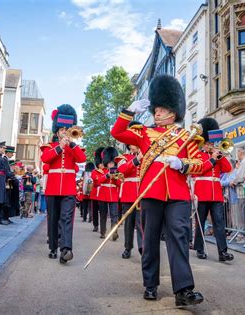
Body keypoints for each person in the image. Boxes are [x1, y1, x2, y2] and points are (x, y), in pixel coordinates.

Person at [111, 74, 204, 305]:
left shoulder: (186, 137)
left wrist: (182, 164)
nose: (157, 113)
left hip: (178, 195)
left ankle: (183, 290)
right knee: (150, 240)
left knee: (179, 239)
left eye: (162, 109)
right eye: (156, 109)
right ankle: (150, 284)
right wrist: (129, 112)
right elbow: (117, 132)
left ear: (173, 111)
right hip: (151, 194)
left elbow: (200, 164)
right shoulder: (143, 133)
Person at [41, 104, 86, 263]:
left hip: (68, 189)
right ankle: (53, 247)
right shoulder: (50, 147)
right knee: (53, 219)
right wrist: (60, 147)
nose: (64, 133)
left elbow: (82, 159)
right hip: (52, 189)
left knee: (66, 218)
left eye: (67, 130)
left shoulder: (74, 148)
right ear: (57, 131)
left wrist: (72, 143)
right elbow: (45, 159)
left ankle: (66, 249)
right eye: (62, 130)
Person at [192, 118, 234, 262]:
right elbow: (197, 171)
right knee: (201, 222)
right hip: (202, 193)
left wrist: (219, 155)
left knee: (219, 223)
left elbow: (228, 169)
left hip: (216, 194)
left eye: (211, 143)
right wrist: (212, 160)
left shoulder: (217, 155)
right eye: (208, 143)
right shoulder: (197, 155)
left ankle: (223, 252)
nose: (210, 145)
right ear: (203, 142)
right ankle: (199, 248)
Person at [116, 139, 143, 259]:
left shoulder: (147, 156)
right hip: (129, 194)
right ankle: (128, 247)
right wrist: (137, 159)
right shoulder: (124, 158)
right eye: (132, 143)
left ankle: (143, 247)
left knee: (141, 222)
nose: (135, 145)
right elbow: (122, 170)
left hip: (142, 193)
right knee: (129, 223)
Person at [95, 147, 120, 240]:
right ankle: (103, 232)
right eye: (109, 163)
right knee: (103, 214)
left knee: (114, 215)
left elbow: (119, 184)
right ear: (106, 162)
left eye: (112, 163)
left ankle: (114, 233)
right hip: (103, 195)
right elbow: (98, 181)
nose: (111, 164)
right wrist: (107, 175)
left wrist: (114, 177)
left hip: (113, 195)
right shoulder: (102, 171)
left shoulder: (117, 171)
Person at [0, 141, 14, 225]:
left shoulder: (1, 158)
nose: (4, 150)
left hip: (2, 181)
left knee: (1, 201)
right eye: (3, 148)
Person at [90, 147, 105, 232]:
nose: (102, 164)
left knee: (103, 211)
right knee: (95, 210)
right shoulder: (94, 172)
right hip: (95, 193)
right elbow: (95, 179)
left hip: (103, 192)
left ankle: (103, 226)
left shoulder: (107, 170)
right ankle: (95, 225)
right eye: (100, 163)